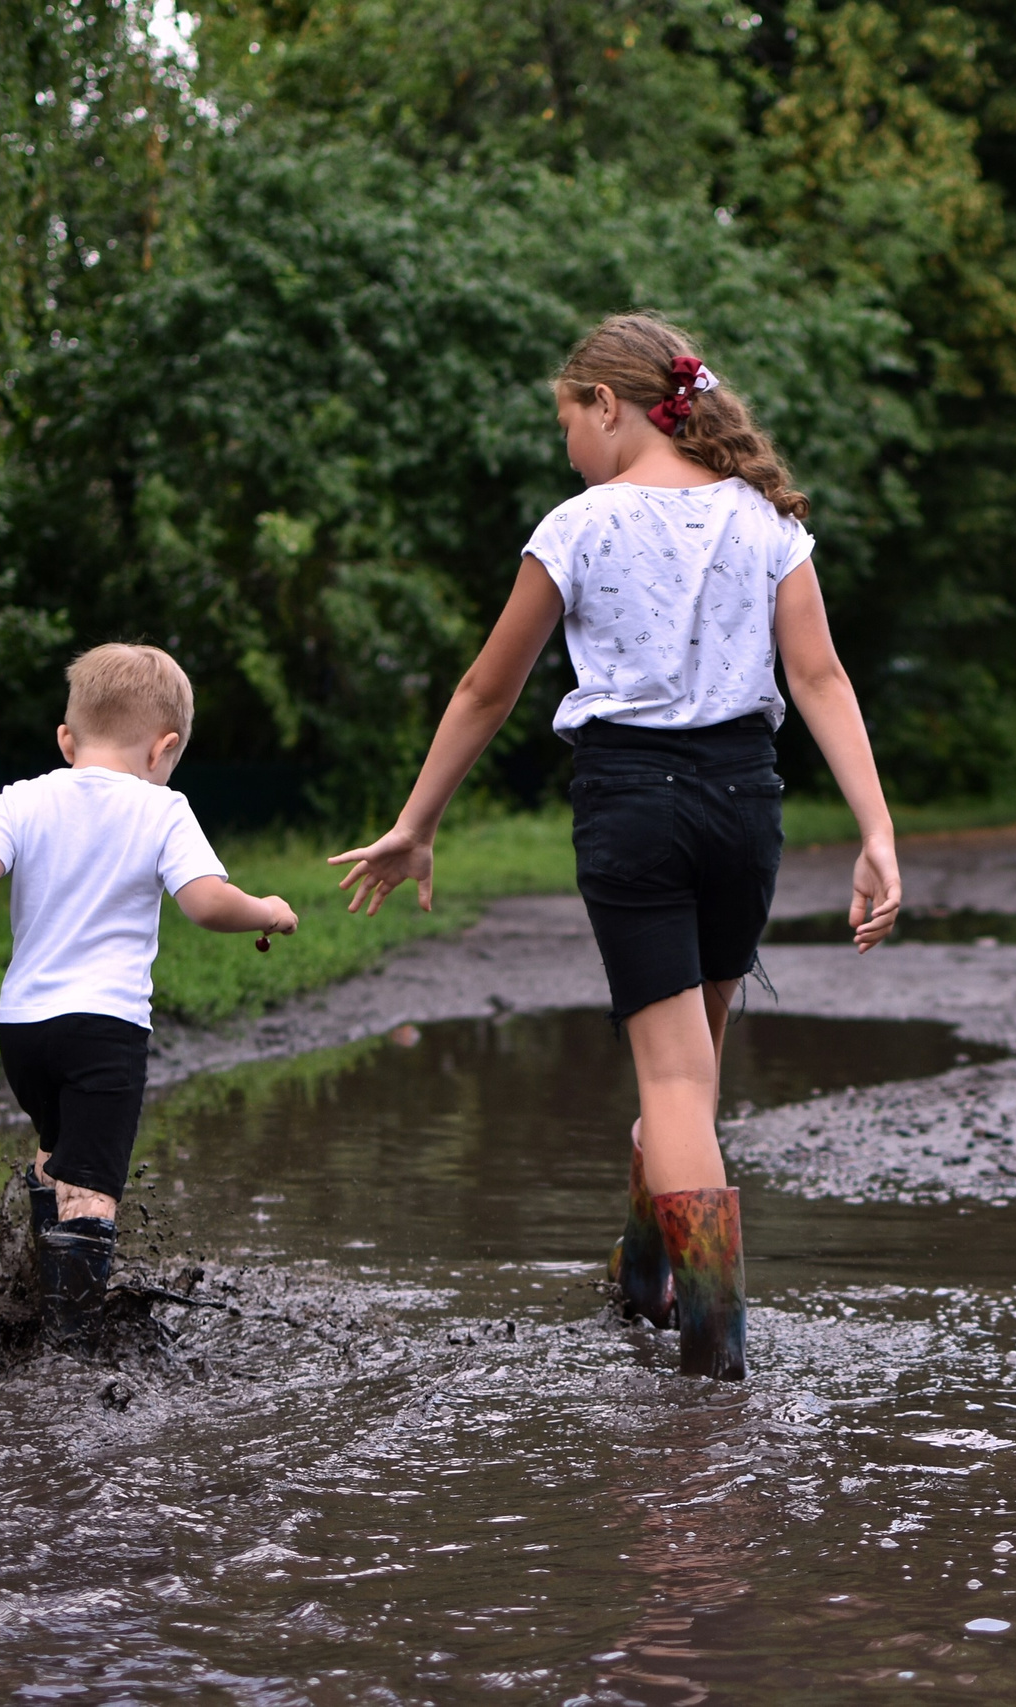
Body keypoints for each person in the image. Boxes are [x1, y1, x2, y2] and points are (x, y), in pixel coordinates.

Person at [330, 313, 901, 1380]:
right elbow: (819, 679)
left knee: (676, 1087)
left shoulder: (580, 525)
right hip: (745, 804)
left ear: (607, 404)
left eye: (567, 420)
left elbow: (484, 688)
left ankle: (715, 1351)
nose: (567, 447)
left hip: (634, 802)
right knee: (689, 1073)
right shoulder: (767, 521)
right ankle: (644, 1284)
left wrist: (416, 821)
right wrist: (874, 829)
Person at [0, 643, 298, 1343]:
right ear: (166, 747)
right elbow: (208, 904)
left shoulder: (23, 798)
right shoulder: (164, 810)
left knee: (58, 1151)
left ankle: (36, 1289)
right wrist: (268, 907)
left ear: (67, 738)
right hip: (103, 1032)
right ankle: (70, 1353)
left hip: (23, 1031)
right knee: (93, 1192)